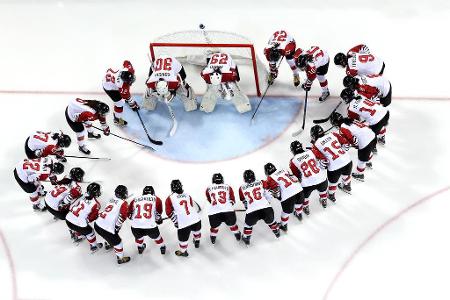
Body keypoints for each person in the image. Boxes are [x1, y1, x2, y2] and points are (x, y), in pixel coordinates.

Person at [310, 125, 353, 201]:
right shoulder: (333, 134)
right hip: (347, 161)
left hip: (334, 167)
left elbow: (322, 160)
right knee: (346, 175)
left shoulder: (315, 145)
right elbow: (346, 144)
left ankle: (331, 195)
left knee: (333, 183)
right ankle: (347, 186)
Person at [330, 112, 377, 182]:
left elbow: (354, 141)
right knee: (367, 150)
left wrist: (353, 145)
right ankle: (368, 161)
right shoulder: (351, 119)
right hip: (373, 136)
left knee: (361, 159)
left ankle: (360, 174)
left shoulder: (343, 128)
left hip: (366, 142)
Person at [239, 170, 280, 245]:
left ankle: (246, 238)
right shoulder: (262, 182)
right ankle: (276, 232)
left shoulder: (241, 188)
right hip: (266, 208)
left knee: (248, 225)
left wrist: (247, 207)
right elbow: (268, 195)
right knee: (271, 221)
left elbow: (244, 201)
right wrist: (266, 203)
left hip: (252, 211)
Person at [94, 185, 131, 264]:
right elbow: (123, 216)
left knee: (108, 233)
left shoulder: (111, 199)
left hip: (97, 224)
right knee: (118, 242)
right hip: (106, 228)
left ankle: (108, 244)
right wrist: (117, 226)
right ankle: (120, 258)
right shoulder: (124, 203)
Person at [263, 163, 304, 232]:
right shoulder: (284, 170)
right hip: (299, 190)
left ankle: (283, 225)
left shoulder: (269, 179)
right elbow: (293, 177)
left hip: (287, 197)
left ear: (266, 172)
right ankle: (299, 214)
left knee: (286, 212)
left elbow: (272, 192)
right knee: (298, 204)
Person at [165, 180, 201, 257]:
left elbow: (169, 213)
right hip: (196, 219)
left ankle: (184, 252)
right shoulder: (188, 195)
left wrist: (176, 222)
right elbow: (190, 206)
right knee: (196, 231)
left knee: (183, 240)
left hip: (184, 223)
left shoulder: (169, 198)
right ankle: (197, 242)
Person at [289, 141, 328, 211]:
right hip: (321, 179)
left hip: (307, 184)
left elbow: (296, 175)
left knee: (305, 197)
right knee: (323, 190)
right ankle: (324, 200)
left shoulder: (293, 161)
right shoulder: (311, 151)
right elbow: (323, 158)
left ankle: (306, 207)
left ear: (292, 150)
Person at [65, 182, 103, 253]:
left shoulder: (82, 196)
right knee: (90, 232)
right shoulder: (96, 204)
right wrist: (95, 216)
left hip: (68, 220)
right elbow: (91, 218)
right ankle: (94, 246)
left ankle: (77, 235)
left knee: (78, 222)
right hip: (78, 224)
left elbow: (71, 206)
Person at [128, 186, 166, 255]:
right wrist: (158, 220)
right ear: (153, 192)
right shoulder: (156, 199)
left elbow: (129, 214)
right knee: (157, 237)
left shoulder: (135, 199)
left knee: (139, 238)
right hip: (150, 226)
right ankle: (162, 247)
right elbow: (158, 213)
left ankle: (140, 247)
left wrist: (136, 219)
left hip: (135, 226)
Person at [205, 173, 241, 244]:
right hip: (228, 211)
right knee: (232, 225)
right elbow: (232, 200)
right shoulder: (228, 187)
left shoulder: (208, 188)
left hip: (214, 213)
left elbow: (210, 200)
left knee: (215, 227)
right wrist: (229, 205)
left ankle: (213, 237)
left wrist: (217, 205)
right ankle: (237, 234)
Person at [102, 60, 140, 126]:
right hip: (109, 88)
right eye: (129, 82)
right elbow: (126, 96)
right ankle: (117, 119)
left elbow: (126, 62)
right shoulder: (122, 86)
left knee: (123, 96)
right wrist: (133, 104)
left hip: (109, 77)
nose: (130, 83)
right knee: (120, 103)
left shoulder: (128, 69)